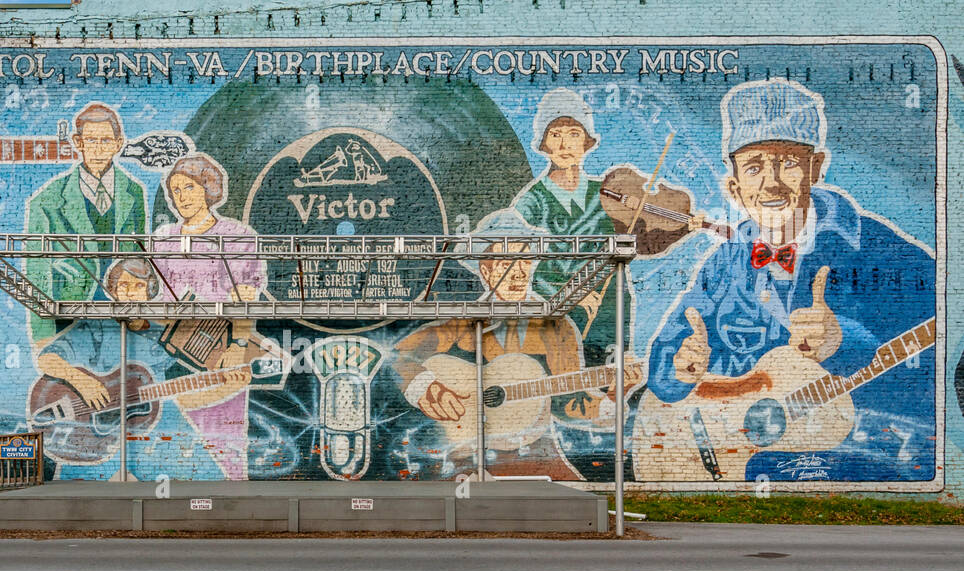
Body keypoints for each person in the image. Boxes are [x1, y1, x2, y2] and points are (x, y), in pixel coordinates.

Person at [646, 78, 936, 481]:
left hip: (842, 454)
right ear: (734, 186)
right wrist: (680, 369)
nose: (771, 183)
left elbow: (939, 323)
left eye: (787, 162)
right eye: (754, 166)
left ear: (815, 168)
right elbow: (668, 350)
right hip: (730, 456)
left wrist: (842, 341)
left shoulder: (877, 249)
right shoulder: (726, 260)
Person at [394, 209, 641, 479]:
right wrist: (423, 385)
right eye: (506, 262)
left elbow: (570, 401)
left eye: (524, 261)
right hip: (464, 455)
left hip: (536, 453)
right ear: (485, 271)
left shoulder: (556, 326)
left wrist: (615, 394)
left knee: (568, 503)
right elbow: (398, 358)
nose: (517, 272)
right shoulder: (461, 323)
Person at [35, 257, 248, 479]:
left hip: (150, 419)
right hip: (90, 427)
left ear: (149, 292)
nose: (130, 293)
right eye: (123, 286)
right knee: (78, 488)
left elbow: (198, 370)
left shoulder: (164, 335)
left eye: (138, 286)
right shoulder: (96, 326)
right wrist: (81, 380)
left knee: (204, 474)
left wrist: (230, 367)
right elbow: (46, 359)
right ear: (113, 291)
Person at [148, 153, 267, 480]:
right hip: (175, 354)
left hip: (222, 352)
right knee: (180, 432)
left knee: (224, 435)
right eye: (175, 191)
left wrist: (239, 345)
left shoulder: (237, 236)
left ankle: (232, 489)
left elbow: (246, 296)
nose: (181, 197)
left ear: (208, 188)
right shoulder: (164, 240)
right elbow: (162, 298)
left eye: (189, 187)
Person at [510, 87, 626, 363]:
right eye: (556, 134)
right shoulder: (530, 203)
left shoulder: (607, 193)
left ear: (586, 142)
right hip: (554, 321)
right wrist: (569, 296)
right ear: (544, 143)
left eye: (574, 134)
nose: (564, 145)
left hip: (607, 317)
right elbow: (520, 270)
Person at [23, 102, 148, 344]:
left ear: (118, 143)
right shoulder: (47, 201)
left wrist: (138, 317)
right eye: (91, 141)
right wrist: (42, 339)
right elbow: (36, 277)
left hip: (120, 318)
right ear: (78, 143)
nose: (98, 149)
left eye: (105, 141)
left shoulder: (134, 192)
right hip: (70, 320)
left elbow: (141, 259)